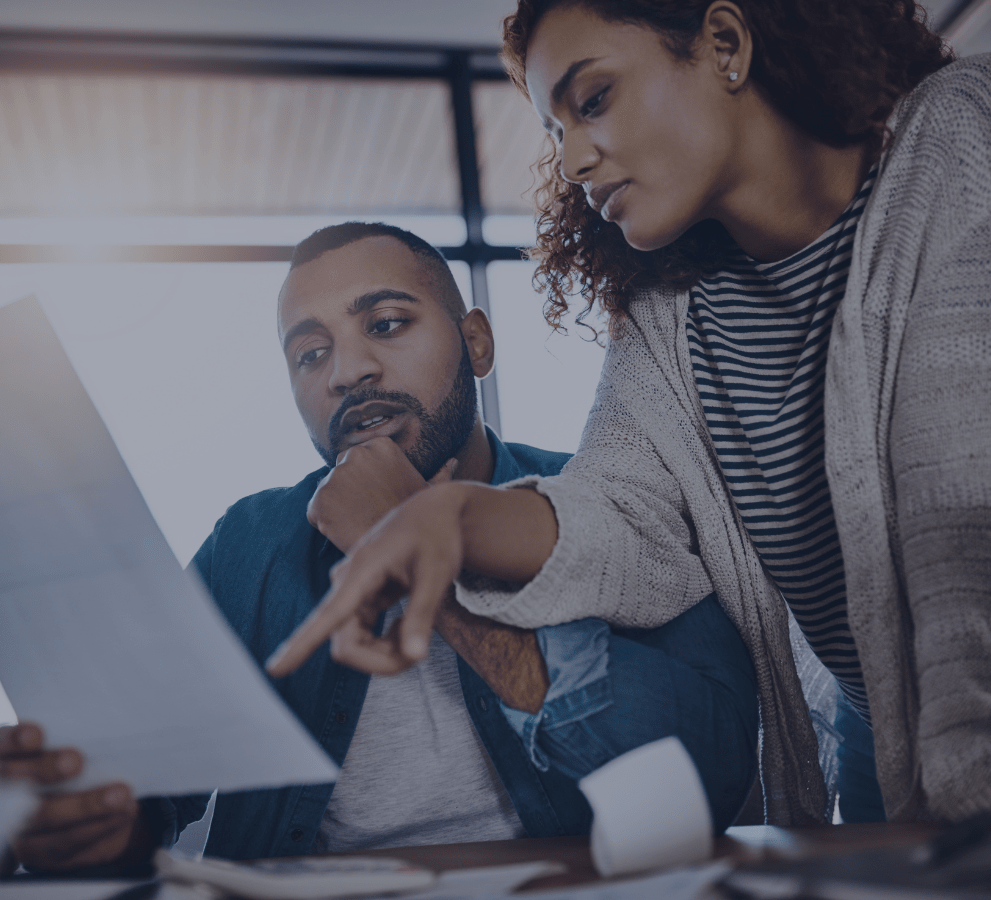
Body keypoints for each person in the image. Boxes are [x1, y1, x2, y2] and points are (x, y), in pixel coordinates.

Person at [270, 3, 991, 827]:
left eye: (595, 99)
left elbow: (962, 518)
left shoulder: (965, 138)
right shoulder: (672, 320)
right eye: (553, 131)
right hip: (882, 741)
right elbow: (618, 513)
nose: (573, 159)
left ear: (725, 44)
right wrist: (449, 517)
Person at [0, 222, 759, 871]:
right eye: (309, 354)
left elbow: (709, 780)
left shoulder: (607, 500)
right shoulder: (249, 545)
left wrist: (429, 560)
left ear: (477, 344)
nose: (347, 372)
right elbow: (146, 804)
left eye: (386, 324)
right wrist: (87, 822)